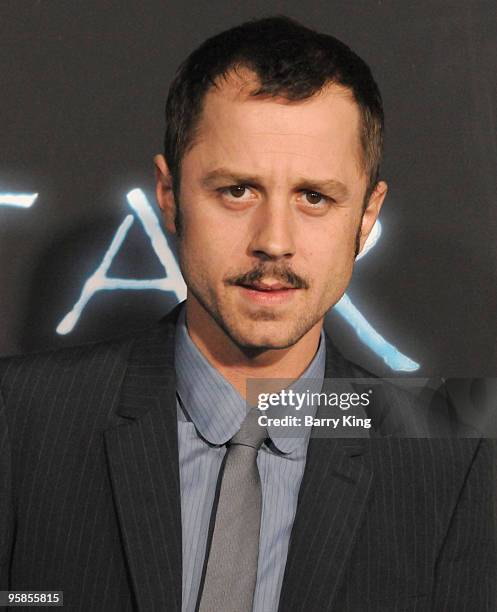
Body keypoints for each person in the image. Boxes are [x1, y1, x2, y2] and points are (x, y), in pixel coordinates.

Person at [0, 15, 495, 612]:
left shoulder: (454, 463)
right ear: (169, 195)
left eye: (315, 197)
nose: (274, 241)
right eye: (237, 190)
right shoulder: (20, 420)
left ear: (367, 215)